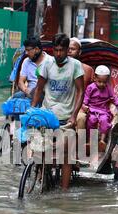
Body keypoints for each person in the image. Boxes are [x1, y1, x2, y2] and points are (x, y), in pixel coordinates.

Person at [31, 33, 84, 190]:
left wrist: (74, 115)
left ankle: (64, 191)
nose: (59, 53)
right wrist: (33, 110)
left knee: (65, 155)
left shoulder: (75, 65)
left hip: (66, 117)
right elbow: (39, 89)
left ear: (67, 50)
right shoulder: (46, 64)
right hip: (47, 113)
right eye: (56, 50)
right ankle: (39, 175)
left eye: (62, 50)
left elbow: (81, 91)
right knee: (37, 148)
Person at [83, 65, 118, 152]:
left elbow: (114, 98)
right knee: (91, 121)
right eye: (99, 82)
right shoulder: (90, 87)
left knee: (105, 121)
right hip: (92, 109)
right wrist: (84, 106)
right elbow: (86, 98)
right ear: (94, 78)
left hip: (103, 110)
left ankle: (102, 140)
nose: (102, 84)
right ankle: (90, 141)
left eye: (104, 82)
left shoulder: (108, 88)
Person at [69, 37, 95, 132]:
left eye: (72, 49)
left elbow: (93, 91)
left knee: (80, 119)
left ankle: (81, 146)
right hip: (62, 106)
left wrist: (85, 106)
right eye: (67, 49)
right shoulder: (58, 67)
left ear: (79, 52)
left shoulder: (88, 70)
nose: (69, 51)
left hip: (80, 107)